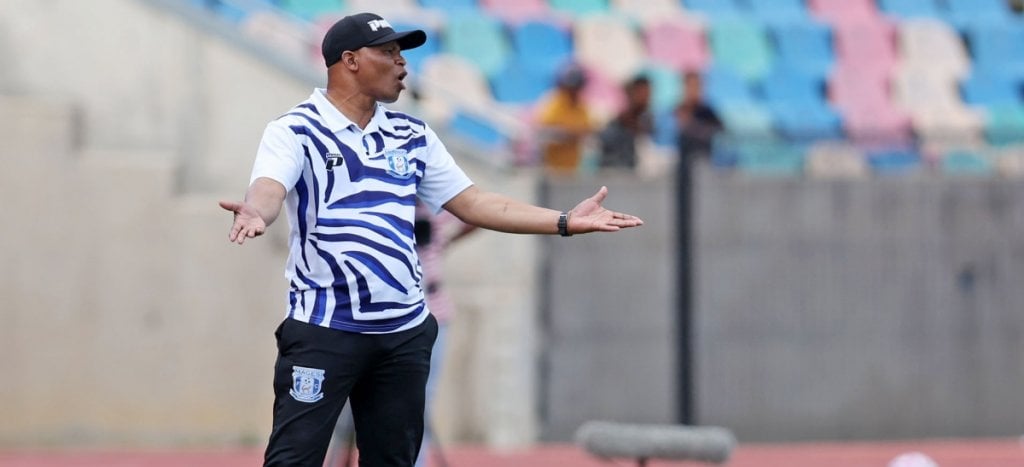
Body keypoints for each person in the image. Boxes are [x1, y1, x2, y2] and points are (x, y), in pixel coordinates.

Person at [218, 12, 644, 467]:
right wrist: (256, 212)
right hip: (325, 329)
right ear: (350, 61)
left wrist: (562, 220)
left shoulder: (412, 134)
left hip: (403, 333)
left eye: (403, 53)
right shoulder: (294, 130)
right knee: (292, 461)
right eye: (389, 52)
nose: (403, 63)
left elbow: (476, 203)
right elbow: (269, 187)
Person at [412, 201, 476, 467]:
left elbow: (475, 211)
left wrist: (445, 241)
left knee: (420, 401)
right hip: (390, 312)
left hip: (432, 308)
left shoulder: (433, 203)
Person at [534, 63, 594, 174]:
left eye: (578, 87)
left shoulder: (581, 108)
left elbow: (588, 131)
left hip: (573, 170)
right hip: (551, 169)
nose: (575, 91)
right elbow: (542, 133)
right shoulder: (553, 105)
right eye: (572, 88)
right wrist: (569, 134)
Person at [598, 74, 653, 169]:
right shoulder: (617, 121)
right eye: (641, 93)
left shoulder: (647, 120)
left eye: (647, 93)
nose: (645, 98)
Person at [674, 71, 723, 163]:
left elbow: (720, 132)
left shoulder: (707, 112)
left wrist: (692, 125)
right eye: (691, 86)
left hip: (702, 162)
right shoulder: (677, 110)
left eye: (697, 86)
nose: (694, 90)